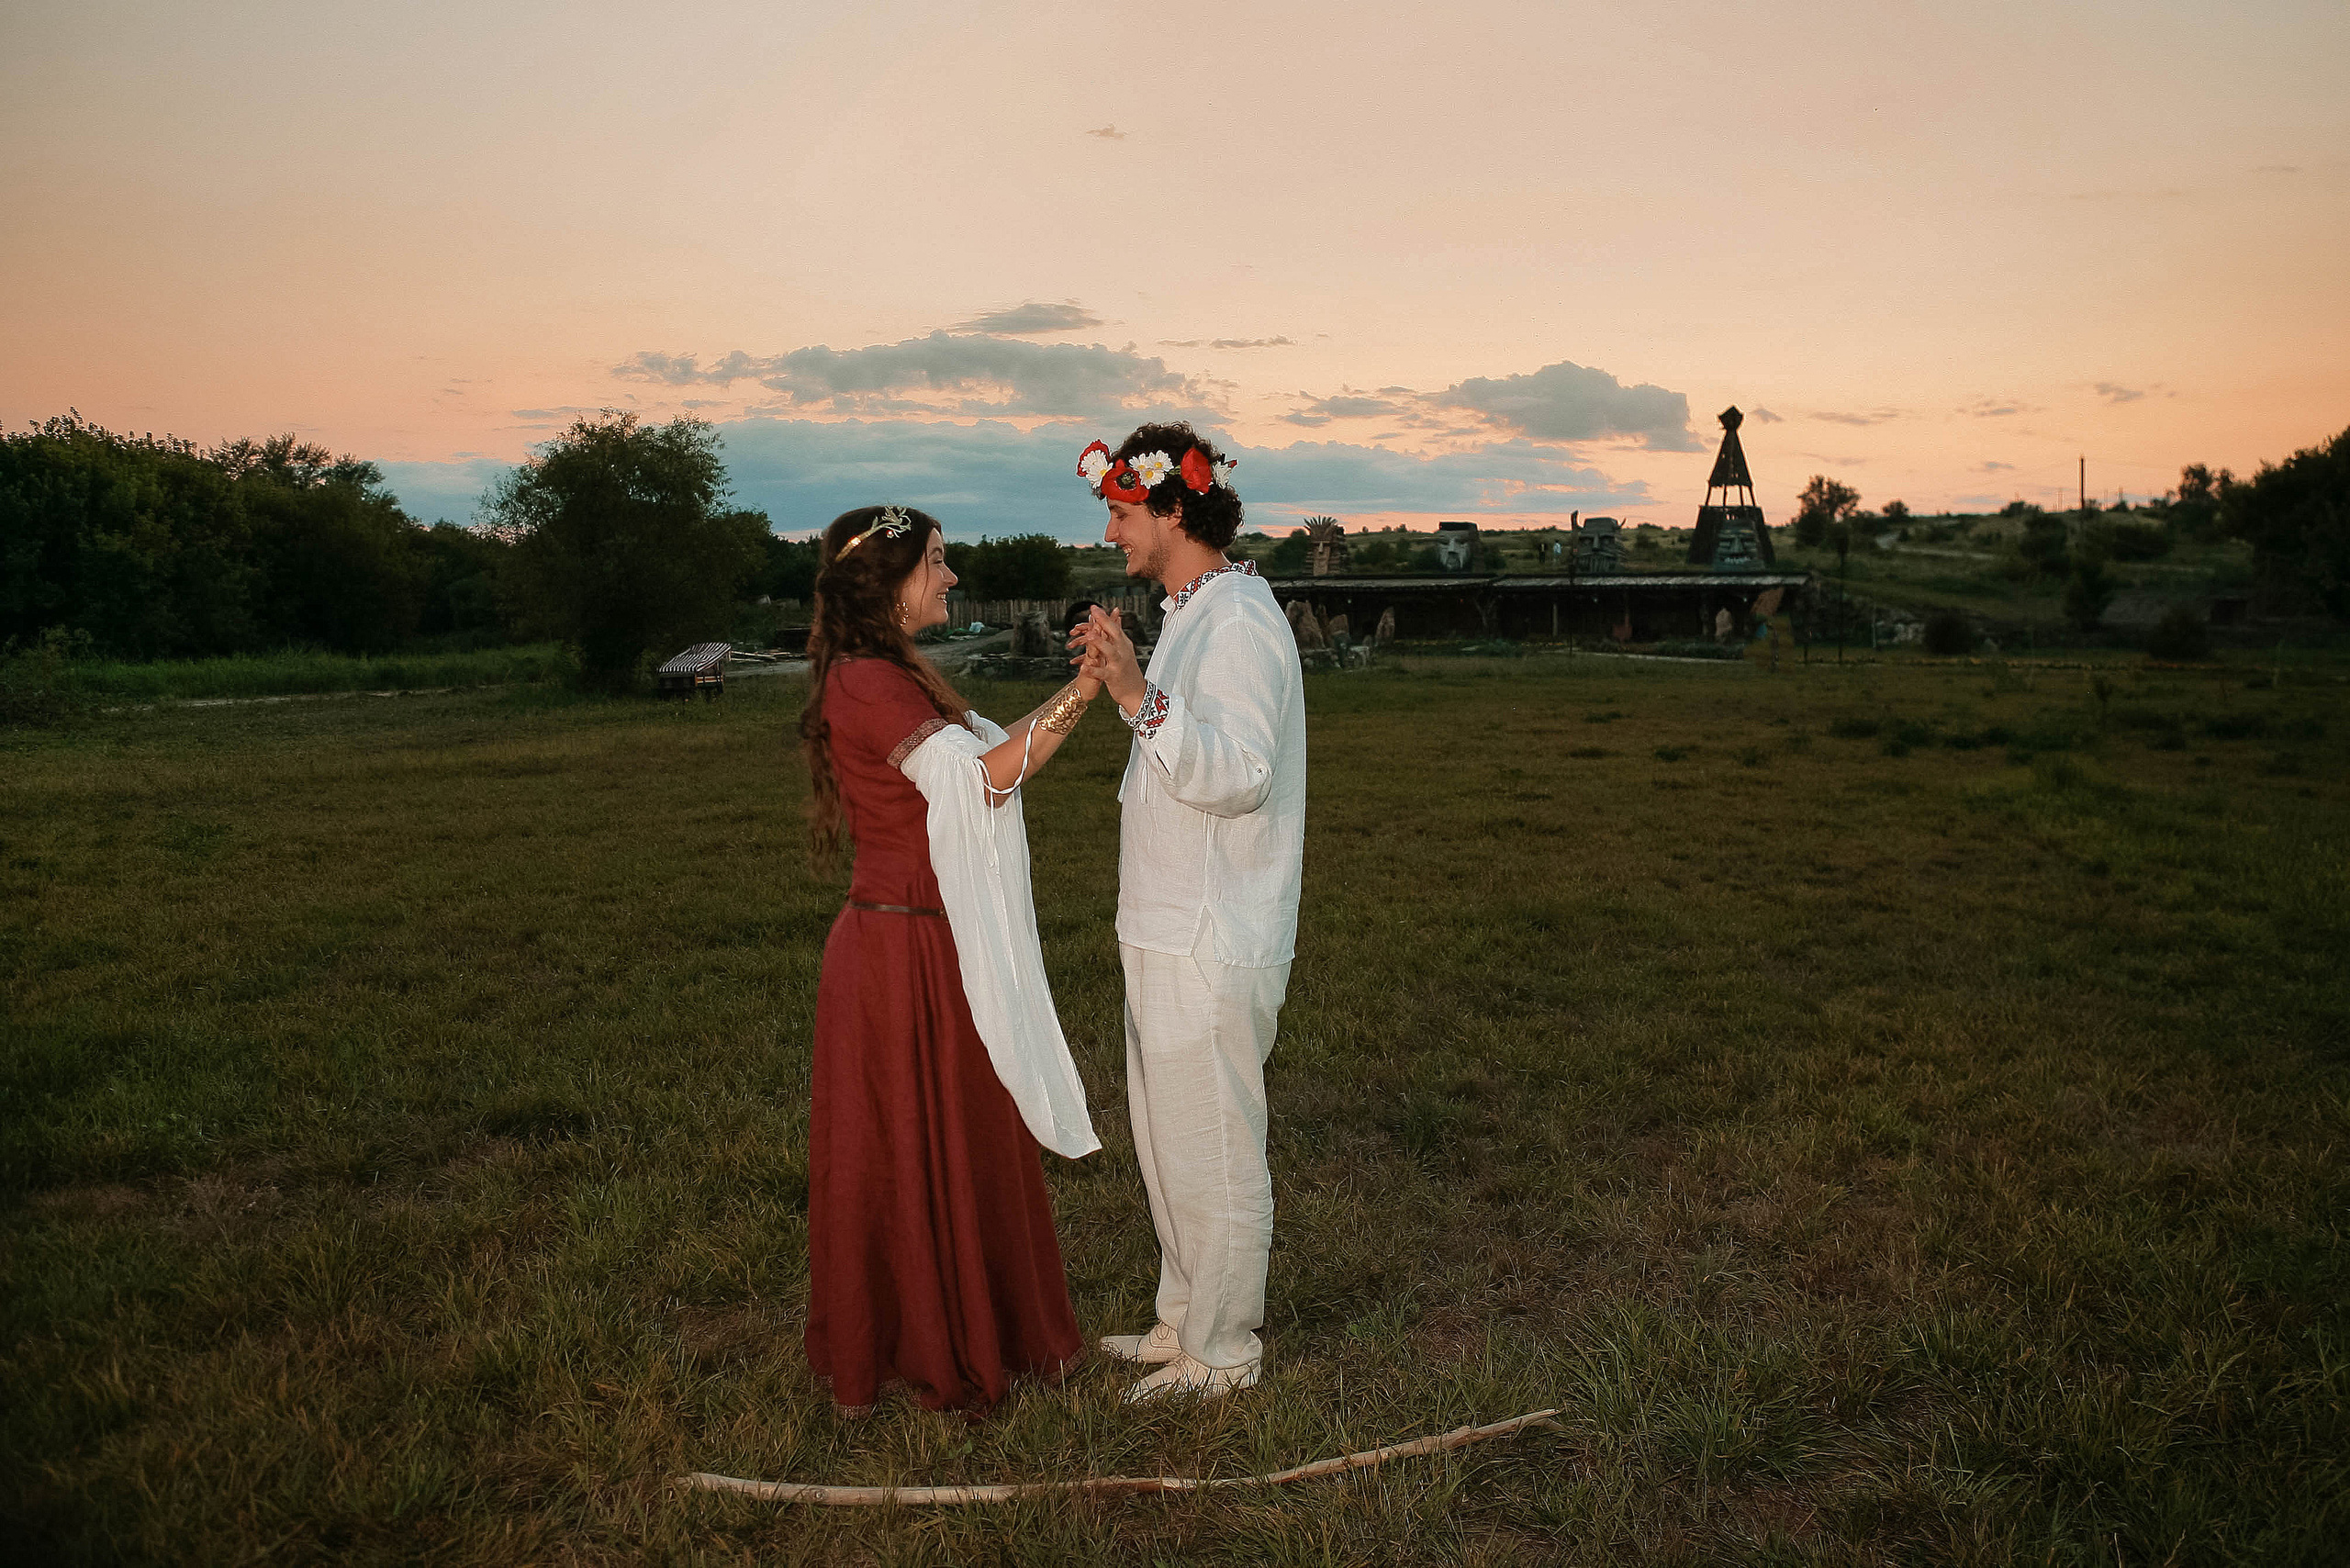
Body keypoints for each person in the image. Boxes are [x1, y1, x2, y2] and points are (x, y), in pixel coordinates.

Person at [797, 504, 1102, 1418]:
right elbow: (984, 782)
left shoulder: (900, 673)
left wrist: (1083, 684)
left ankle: (988, 1329)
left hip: (934, 936)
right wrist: (1088, 688)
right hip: (900, 947)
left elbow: (991, 754)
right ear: (886, 579)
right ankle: (928, 1342)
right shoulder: (865, 683)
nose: (952, 576)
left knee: (963, 1135)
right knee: (904, 1148)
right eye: (936, 560)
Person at [1069, 425, 1307, 1404]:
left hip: (1213, 934)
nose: (1112, 532)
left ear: (1173, 509)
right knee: (1170, 1140)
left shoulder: (1241, 619)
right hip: (1164, 928)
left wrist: (1134, 693)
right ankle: (1182, 1321)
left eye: (1124, 512)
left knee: (1211, 1141)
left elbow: (1242, 772)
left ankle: (1226, 1349)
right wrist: (1131, 681)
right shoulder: (1191, 611)